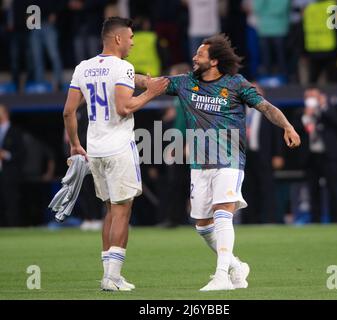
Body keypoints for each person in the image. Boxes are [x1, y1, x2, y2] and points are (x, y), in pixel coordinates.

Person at [159, 34, 301, 291]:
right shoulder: (185, 83)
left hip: (229, 158)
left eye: (199, 55)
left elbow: (267, 107)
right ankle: (236, 265)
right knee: (202, 225)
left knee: (223, 214)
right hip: (199, 165)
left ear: (214, 61)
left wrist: (288, 126)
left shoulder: (236, 84)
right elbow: (152, 82)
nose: (194, 58)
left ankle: (222, 276)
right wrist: (121, 73)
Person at [63, 17, 168, 291]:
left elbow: (68, 111)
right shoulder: (123, 67)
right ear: (118, 39)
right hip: (119, 147)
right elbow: (124, 107)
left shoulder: (83, 68)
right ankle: (111, 278)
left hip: (94, 149)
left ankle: (110, 274)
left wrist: (75, 144)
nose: (133, 42)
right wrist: (152, 93)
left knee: (109, 211)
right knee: (122, 213)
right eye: (131, 37)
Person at [293, 88, 337, 223]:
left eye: (314, 96)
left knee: (333, 187)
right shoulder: (300, 113)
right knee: (313, 190)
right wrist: (306, 116)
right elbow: (296, 130)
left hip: (328, 156)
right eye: (308, 96)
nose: (311, 99)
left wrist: (322, 106)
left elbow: (336, 122)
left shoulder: (328, 110)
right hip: (310, 157)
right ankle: (315, 219)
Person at [242, 83, 285, 224]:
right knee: (247, 188)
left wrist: (278, 155)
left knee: (267, 187)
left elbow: (277, 135)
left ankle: (269, 219)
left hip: (264, 155)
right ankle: (249, 220)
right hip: (245, 156)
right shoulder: (239, 111)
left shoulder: (269, 111)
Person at [0, 104, 25, 226]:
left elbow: (21, 152)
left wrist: (6, 155)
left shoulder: (15, 131)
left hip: (10, 173)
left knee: (11, 202)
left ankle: (13, 228)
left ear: (5, 113)